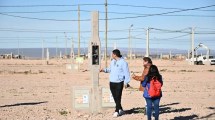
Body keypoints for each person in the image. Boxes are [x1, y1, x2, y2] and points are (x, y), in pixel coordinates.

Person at [100, 49, 130, 118]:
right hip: (112, 82)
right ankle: (121, 109)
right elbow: (110, 69)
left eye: (112, 54)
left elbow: (126, 73)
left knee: (118, 96)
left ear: (115, 54)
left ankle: (116, 111)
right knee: (115, 97)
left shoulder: (123, 62)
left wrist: (126, 82)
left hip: (119, 82)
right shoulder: (112, 61)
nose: (111, 55)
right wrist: (104, 70)